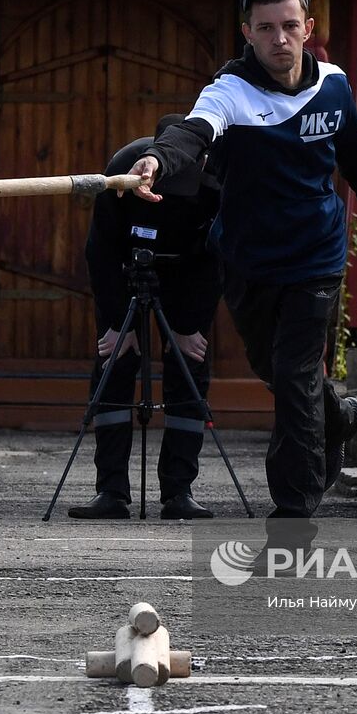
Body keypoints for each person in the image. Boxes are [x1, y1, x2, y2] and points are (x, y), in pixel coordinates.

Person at [128, 0, 357, 518]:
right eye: (266, 28)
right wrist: (156, 160)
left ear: (309, 27)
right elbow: (191, 133)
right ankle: (341, 417)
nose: (279, 39)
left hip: (316, 256)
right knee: (277, 371)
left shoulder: (332, 85)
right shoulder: (230, 92)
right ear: (248, 32)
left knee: (294, 375)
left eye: (289, 25)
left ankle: (293, 510)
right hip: (248, 260)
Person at [69, 121, 223, 520]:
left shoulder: (218, 178)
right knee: (114, 360)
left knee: (189, 364)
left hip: (190, 273)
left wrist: (186, 327)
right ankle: (111, 491)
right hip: (124, 268)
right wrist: (118, 324)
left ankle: (179, 491)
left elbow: (218, 260)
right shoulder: (123, 166)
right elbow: (99, 251)